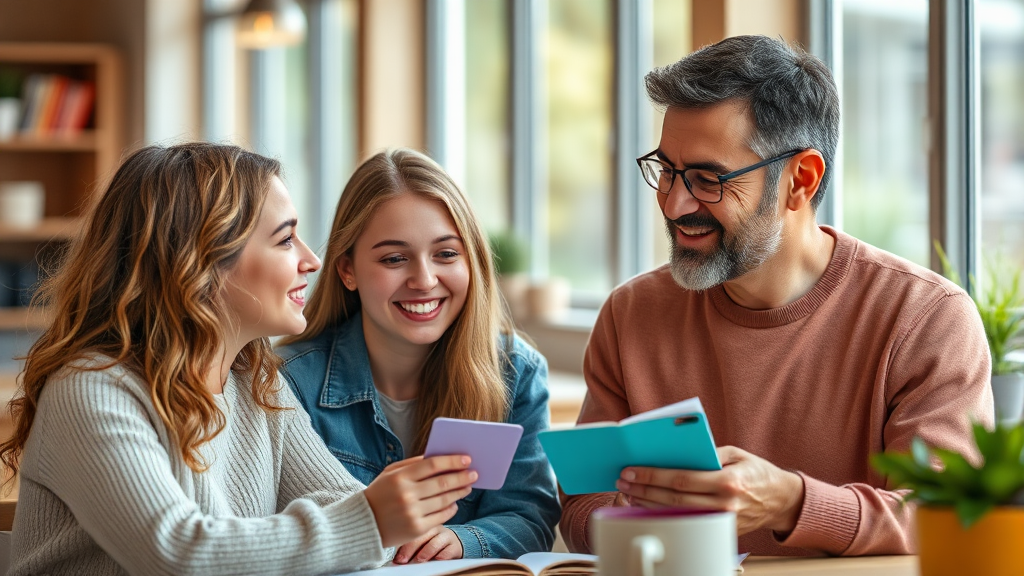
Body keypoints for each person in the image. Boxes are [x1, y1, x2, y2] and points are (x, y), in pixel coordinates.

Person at [560, 35, 994, 557]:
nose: (675, 204)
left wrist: (792, 503)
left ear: (800, 180)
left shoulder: (926, 319)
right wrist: (639, 516)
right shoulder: (631, 314)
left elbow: (951, 515)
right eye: (667, 171)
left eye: (707, 179)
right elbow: (582, 503)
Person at [0, 143, 479, 576]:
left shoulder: (255, 383)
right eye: (285, 239)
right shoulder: (93, 390)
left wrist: (386, 516)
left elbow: (341, 505)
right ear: (201, 262)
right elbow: (176, 554)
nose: (312, 261)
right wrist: (374, 520)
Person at [276, 148, 560, 563]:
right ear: (347, 270)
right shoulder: (289, 381)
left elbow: (528, 517)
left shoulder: (518, 372)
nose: (424, 280)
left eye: (446, 254)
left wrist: (464, 541)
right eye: (394, 258)